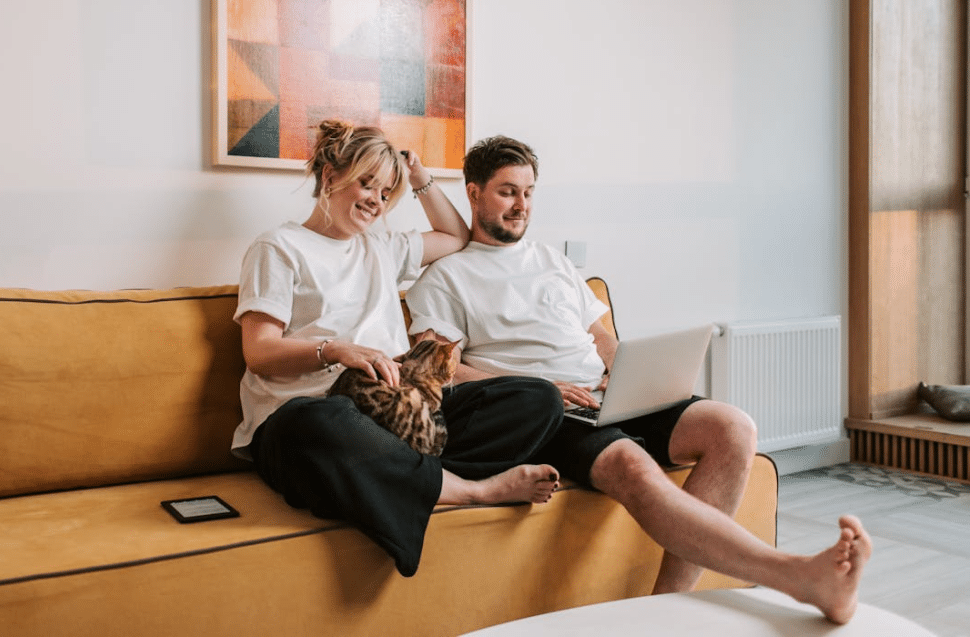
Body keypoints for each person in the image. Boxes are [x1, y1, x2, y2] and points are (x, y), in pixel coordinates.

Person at [404, 134, 873, 623]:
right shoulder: (445, 277)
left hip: (610, 392)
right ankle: (798, 576)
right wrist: (533, 386)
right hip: (547, 412)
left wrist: (625, 370)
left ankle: (665, 609)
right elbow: (442, 371)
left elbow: (602, 339)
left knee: (733, 428)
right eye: (507, 191)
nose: (521, 204)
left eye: (528, 191)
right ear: (473, 192)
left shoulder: (554, 263)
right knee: (631, 463)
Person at [231, 121, 564, 578]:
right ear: (330, 177)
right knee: (316, 422)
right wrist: (335, 350)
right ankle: (470, 490)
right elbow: (260, 352)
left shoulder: (380, 248)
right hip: (311, 417)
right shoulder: (279, 247)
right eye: (366, 183)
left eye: (386, 192)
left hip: (400, 417)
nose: (376, 200)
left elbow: (456, 236)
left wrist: (420, 177)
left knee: (537, 398)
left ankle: (395, 476)